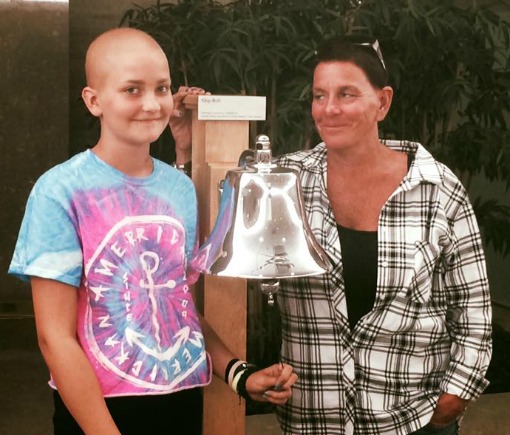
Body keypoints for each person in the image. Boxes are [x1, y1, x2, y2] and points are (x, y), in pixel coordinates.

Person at [8, 27, 297, 435]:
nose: (151, 103)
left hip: (181, 405)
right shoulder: (60, 191)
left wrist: (239, 374)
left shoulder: (177, 189)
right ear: (94, 101)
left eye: (161, 88)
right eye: (131, 89)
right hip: (99, 410)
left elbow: (177, 308)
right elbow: (53, 337)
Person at [271, 36, 492, 434]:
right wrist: (187, 142)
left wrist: (454, 397)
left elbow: (473, 307)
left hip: (413, 417)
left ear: (383, 102)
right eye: (319, 95)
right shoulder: (287, 182)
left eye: (346, 94)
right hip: (315, 417)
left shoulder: (436, 187)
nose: (329, 109)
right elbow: (226, 240)